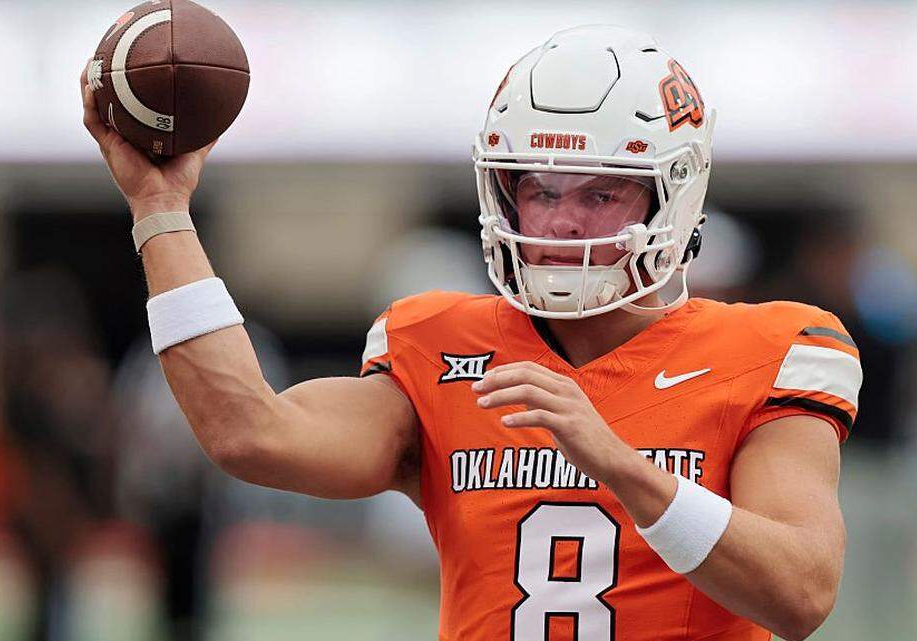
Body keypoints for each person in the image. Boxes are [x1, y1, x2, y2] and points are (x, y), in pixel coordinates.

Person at [81, 25, 861, 641]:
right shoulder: (439, 344)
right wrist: (161, 211)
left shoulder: (771, 348)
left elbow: (799, 594)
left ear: (674, 198)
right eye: (537, 186)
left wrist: (621, 463)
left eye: (601, 193)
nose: (560, 220)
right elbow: (248, 431)